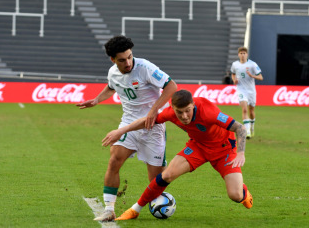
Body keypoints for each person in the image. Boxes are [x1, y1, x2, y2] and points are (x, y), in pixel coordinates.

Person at [101, 90, 253, 221]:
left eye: (188, 110)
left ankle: (243, 192)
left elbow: (239, 128)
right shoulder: (169, 113)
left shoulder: (208, 111)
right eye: (179, 112)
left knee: (235, 195)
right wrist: (121, 131)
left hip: (224, 150)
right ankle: (135, 210)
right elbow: (146, 121)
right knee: (167, 175)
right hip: (198, 147)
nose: (184, 116)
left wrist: (240, 153)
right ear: (172, 108)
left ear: (193, 105)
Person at [76, 35, 177, 221]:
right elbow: (111, 87)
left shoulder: (145, 67)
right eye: (122, 60)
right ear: (113, 60)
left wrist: (154, 110)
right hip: (128, 123)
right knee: (114, 159)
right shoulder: (113, 72)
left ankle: (158, 200)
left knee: (156, 180)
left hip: (153, 127)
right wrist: (97, 100)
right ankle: (109, 209)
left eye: (130, 57)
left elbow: (172, 86)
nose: (128, 62)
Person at [231, 46, 263, 139]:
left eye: (244, 53)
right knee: (244, 109)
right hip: (241, 90)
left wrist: (252, 75)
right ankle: (247, 131)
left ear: (247, 54)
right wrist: (234, 80)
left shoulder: (252, 64)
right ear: (238, 54)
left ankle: (252, 127)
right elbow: (233, 73)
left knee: (251, 111)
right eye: (241, 53)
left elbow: (261, 77)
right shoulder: (235, 64)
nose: (242, 55)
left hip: (251, 91)